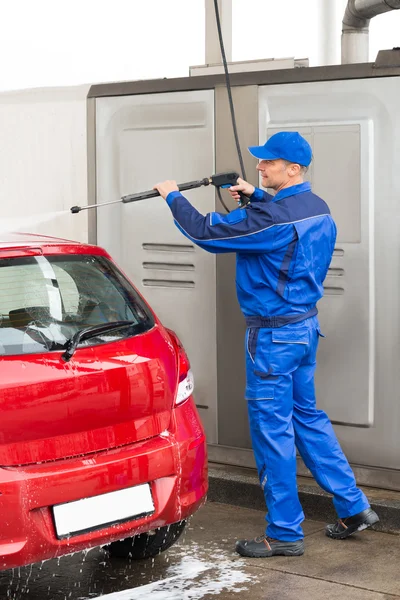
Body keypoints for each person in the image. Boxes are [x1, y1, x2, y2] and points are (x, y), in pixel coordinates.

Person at [153, 131, 379, 558]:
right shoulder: (317, 208)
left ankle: (285, 534)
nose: (260, 166)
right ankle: (353, 506)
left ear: (293, 169)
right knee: (306, 417)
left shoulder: (272, 220)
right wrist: (255, 194)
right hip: (305, 330)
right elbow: (279, 218)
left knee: (272, 432)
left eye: (269, 163)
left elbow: (208, 233)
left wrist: (171, 197)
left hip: (273, 337)